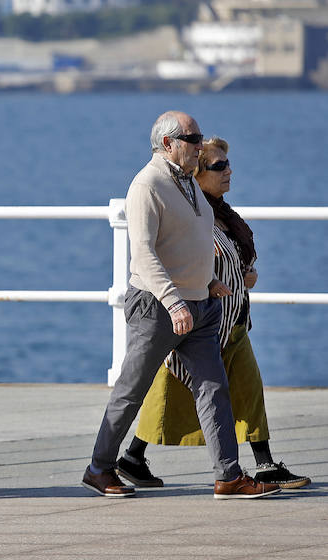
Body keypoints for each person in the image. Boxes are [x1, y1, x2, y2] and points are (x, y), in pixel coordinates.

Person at [81, 111, 279, 500]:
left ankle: (228, 476)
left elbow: (190, 240)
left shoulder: (188, 183)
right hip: (158, 306)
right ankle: (99, 468)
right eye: (193, 138)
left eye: (200, 137)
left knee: (213, 388)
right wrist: (175, 303)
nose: (200, 145)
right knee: (131, 391)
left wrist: (208, 281)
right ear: (167, 144)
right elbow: (144, 254)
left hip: (200, 303)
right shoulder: (147, 185)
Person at [117, 137, 310, 490]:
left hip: (232, 319)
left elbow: (232, 257)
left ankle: (264, 463)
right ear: (197, 173)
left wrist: (245, 273)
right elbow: (174, 257)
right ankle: (130, 456)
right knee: (170, 390)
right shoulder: (191, 211)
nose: (228, 171)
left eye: (227, 164)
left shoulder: (221, 212)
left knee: (248, 387)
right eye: (218, 166)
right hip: (201, 319)